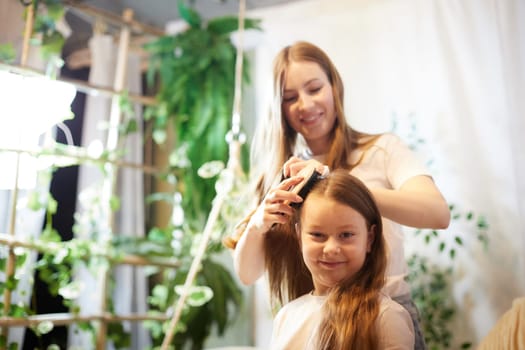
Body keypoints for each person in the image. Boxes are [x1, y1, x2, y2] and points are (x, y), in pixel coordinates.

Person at [224, 41, 450, 349]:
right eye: (290, 97)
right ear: (279, 108)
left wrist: (335, 180)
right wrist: (259, 222)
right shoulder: (282, 176)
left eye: (314, 89)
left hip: (379, 316)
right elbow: (248, 274)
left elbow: (437, 213)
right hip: (312, 321)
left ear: (335, 88)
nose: (304, 105)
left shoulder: (381, 151)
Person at [270, 169, 414, 349]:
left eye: (346, 235)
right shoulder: (286, 317)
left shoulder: (386, 318)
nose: (331, 249)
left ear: (369, 238)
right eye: (317, 234)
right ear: (299, 236)